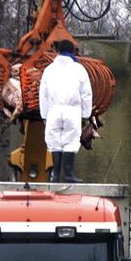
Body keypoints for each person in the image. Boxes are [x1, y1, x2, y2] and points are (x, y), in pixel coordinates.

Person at [39, 39, 93, 183]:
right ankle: (68, 174)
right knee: (70, 141)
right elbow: (86, 93)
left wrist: (44, 115)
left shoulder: (49, 70)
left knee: (55, 141)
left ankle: (55, 175)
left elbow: (43, 93)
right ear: (73, 51)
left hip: (54, 110)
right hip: (72, 111)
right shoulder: (79, 69)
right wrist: (85, 114)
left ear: (57, 51)